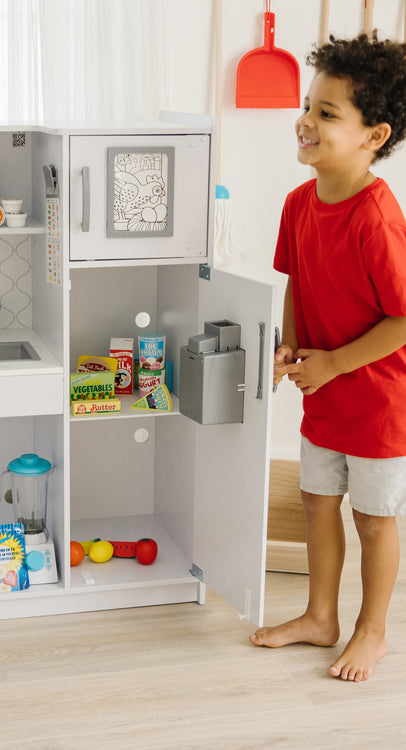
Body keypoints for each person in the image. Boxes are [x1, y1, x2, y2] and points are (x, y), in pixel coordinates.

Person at [250, 33, 406, 682]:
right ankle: (321, 617)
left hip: (375, 404)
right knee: (318, 505)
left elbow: (403, 317)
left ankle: (371, 630)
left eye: (328, 113)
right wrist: (288, 346)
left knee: (373, 519)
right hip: (325, 395)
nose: (306, 122)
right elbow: (297, 283)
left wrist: (337, 364)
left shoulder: (378, 218)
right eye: (309, 107)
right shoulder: (298, 203)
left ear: (375, 136)